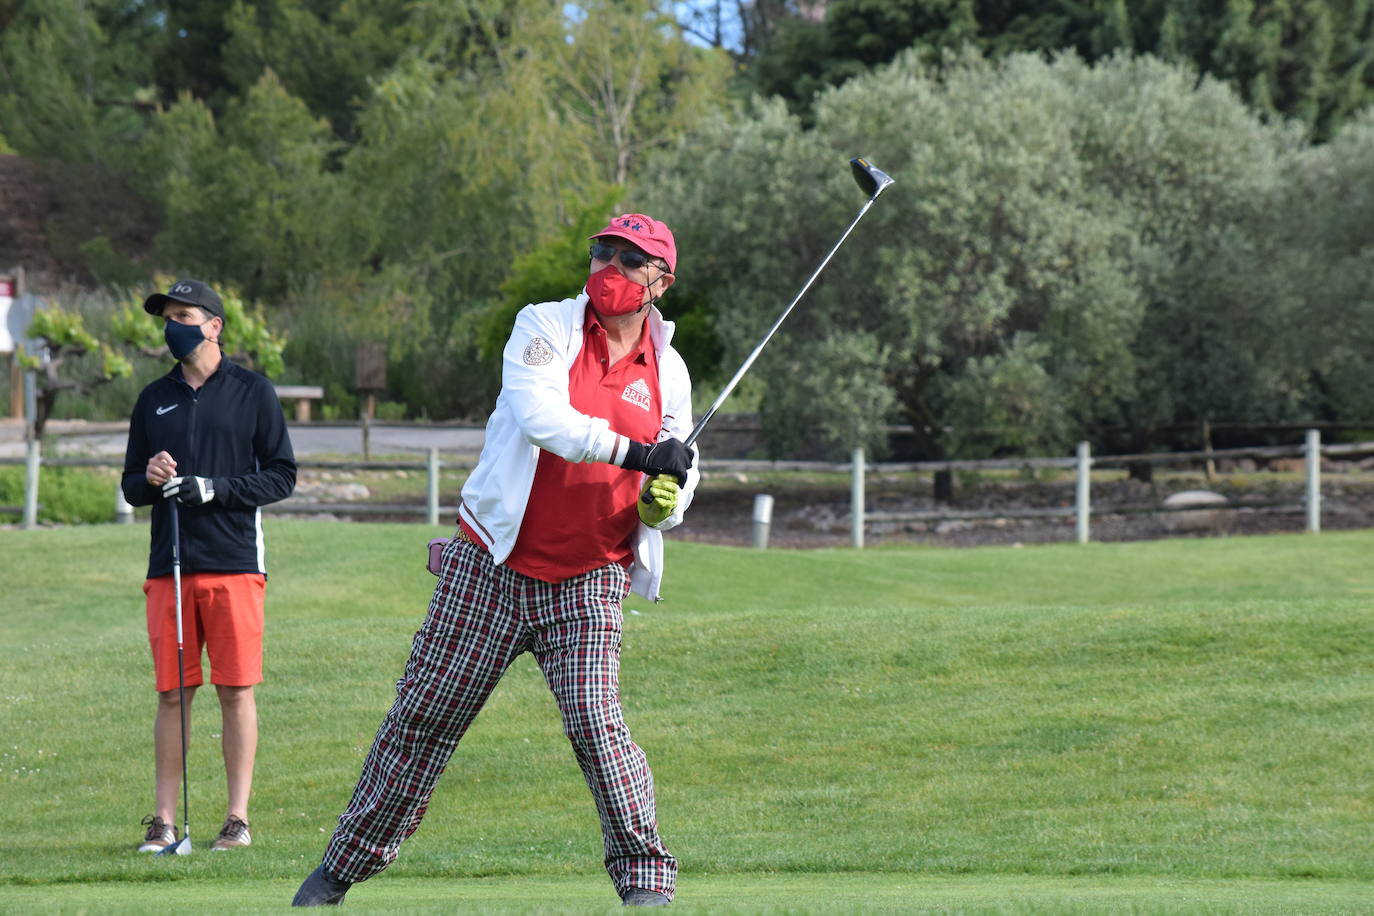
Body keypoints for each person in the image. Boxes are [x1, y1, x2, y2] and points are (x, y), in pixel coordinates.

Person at [292, 214, 698, 908]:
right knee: (422, 719)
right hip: (492, 566)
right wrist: (639, 456)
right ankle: (338, 873)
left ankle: (647, 886)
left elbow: (679, 465)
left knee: (596, 725)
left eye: (630, 261)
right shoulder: (543, 324)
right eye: (603, 251)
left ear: (661, 280)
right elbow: (542, 417)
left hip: (590, 576)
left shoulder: (670, 369)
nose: (610, 267)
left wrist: (668, 500)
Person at [122, 278, 297, 853]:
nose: (173, 324)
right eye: (167, 316)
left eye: (183, 314)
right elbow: (131, 486)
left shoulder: (253, 391)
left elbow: (281, 474)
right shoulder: (154, 398)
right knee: (172, 694)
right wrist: (148, 479)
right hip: (168, 564)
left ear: (214, 325)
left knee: (235, 690)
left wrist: (214, 489)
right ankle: (164, 821)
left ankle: (236, 819)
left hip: (234, 561)